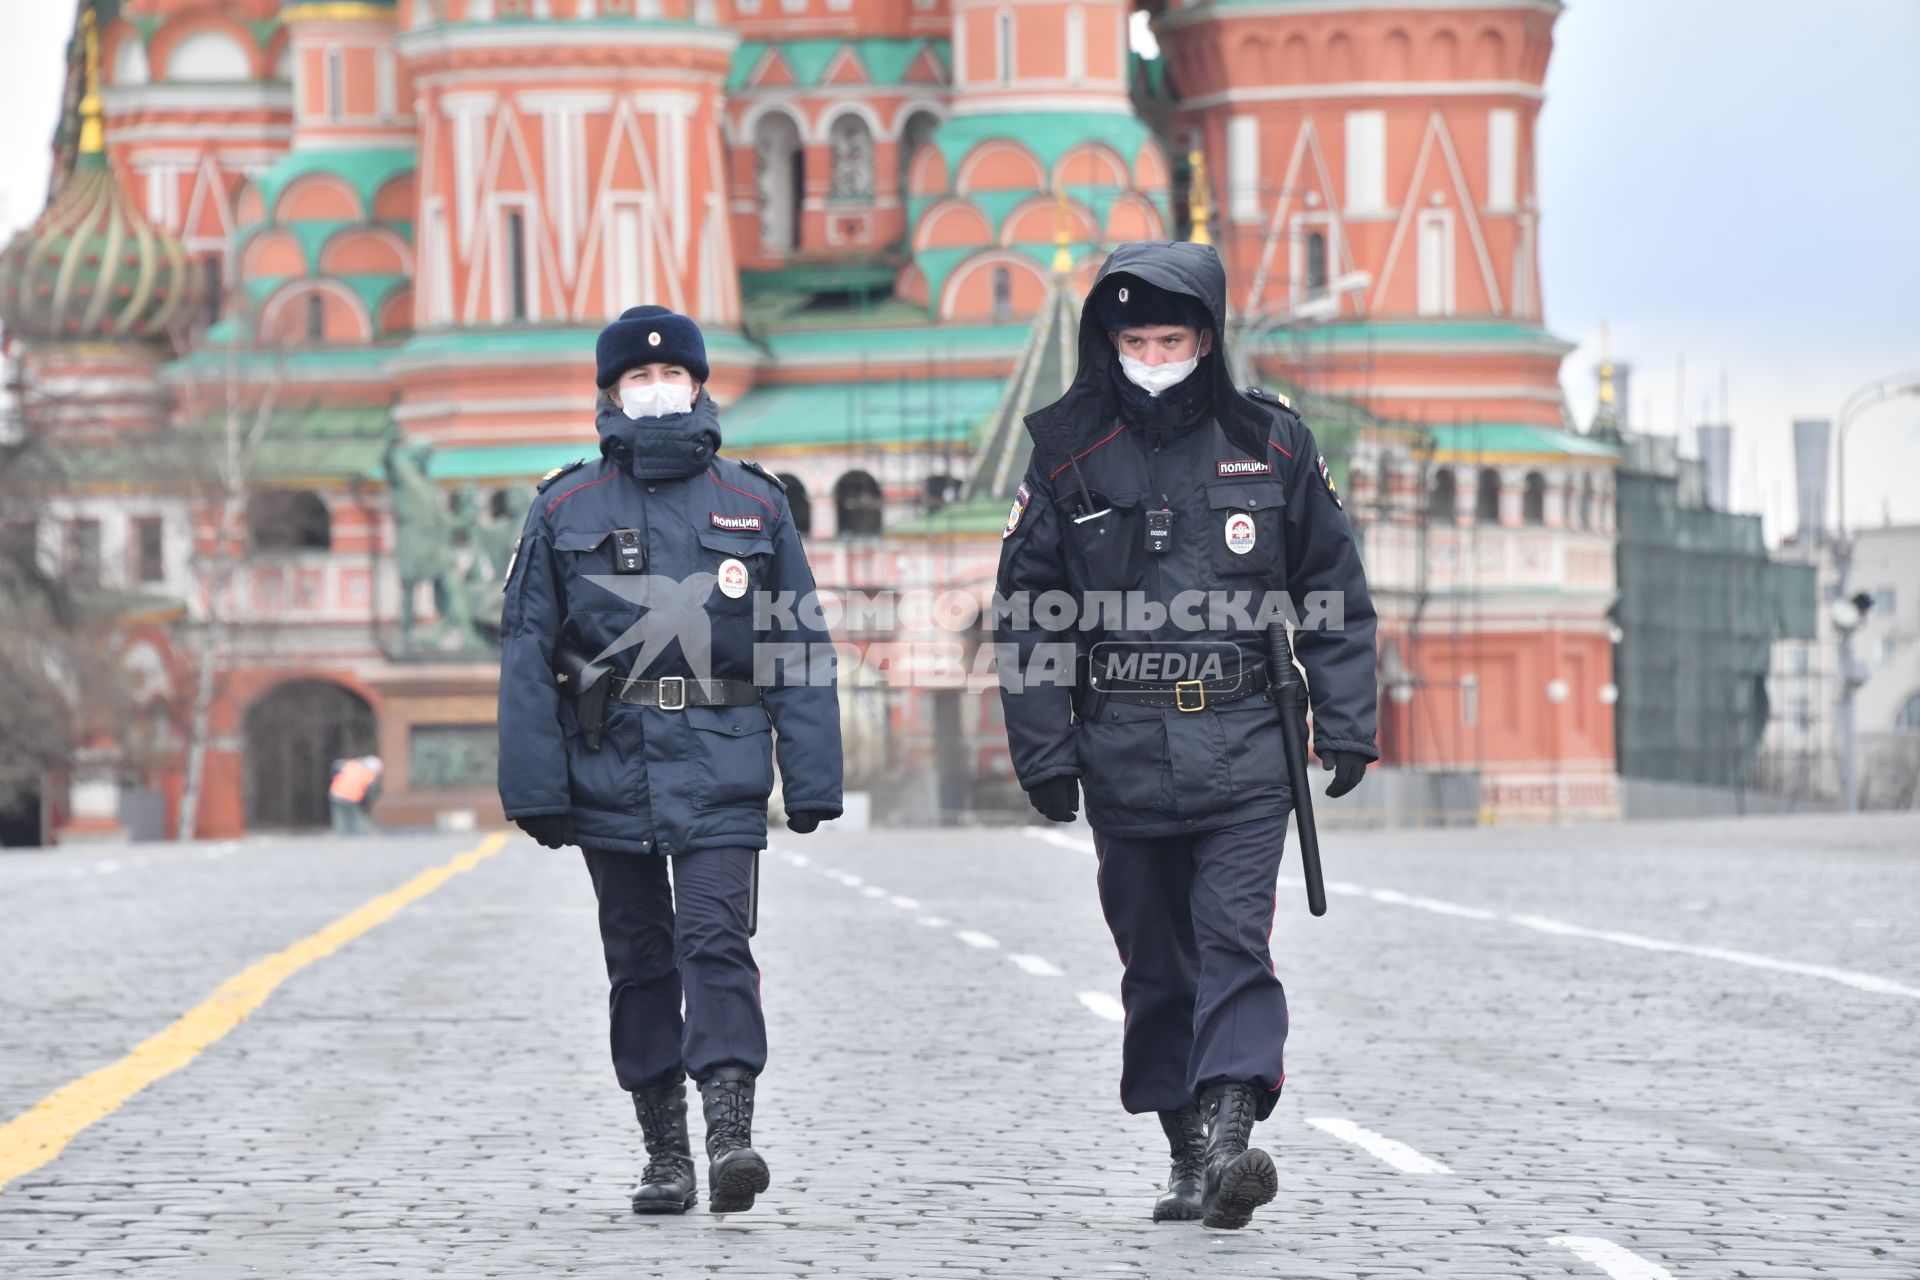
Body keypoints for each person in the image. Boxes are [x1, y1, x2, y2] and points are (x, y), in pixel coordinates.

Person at [994, 242, 1378, 1230]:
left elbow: (1331, 586)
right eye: (1136, 339)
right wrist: (1041, 750)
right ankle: (1185, 1147)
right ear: (1109, 342)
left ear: (1206, 339)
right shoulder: (1066, 449)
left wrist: (1347, 717)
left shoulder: (1273, 443)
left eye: (1171, 337)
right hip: (1120, 744)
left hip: (1249, 741)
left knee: (1232, 939)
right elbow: (1029, 608)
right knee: (1155, 963)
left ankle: (1228, 1136)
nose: (1153, 353)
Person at [496, 304, 843, 1216]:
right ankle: (666, 1154)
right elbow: (528, 649)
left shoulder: (755, 504)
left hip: (722, 757)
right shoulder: (564, 506)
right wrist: (535, 786)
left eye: (673, 377)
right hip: (605, 760)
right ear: (611, 394)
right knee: (640, 956)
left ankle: (731, 1134)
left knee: (716, 941)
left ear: (699, 385)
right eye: (638, 380)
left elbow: (797, 645)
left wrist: (813, 776)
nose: (658, 392)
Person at [327, 755, 382, 835]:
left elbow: (335, 766)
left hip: (336, 793)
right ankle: (359, 835)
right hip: (351, 797)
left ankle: (340, 834)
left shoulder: (351, 765)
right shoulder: (369, 775)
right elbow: (368, 794)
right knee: (356, 817)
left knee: (339, 817)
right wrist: (366, 806)